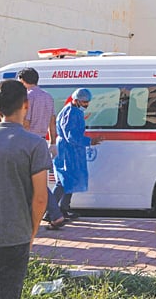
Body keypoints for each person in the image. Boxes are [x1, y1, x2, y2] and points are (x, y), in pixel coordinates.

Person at [0, 80, 51, 298]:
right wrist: (31, 231)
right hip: (15, 234)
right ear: (26, 105)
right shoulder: (35, 145)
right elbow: (40, 198)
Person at [17, 67, 66, 231]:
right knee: (37, 179)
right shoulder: (47, 97)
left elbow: (26, 122)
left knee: (29, 180)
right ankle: (54, 213)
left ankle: (55, 213)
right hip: (41, 141)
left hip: (27, 140)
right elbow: (52, 121)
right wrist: (52, 142)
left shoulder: (27, 97)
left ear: (23, 80)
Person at [53, 88, 103, 219]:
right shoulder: (71, 113)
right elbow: (71, 136)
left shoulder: (75, 111)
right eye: (84, 102)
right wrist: (89, 141)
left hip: (72, 150)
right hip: (67, 150)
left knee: (70, 180)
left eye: (87, 102)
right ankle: (51, 211)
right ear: (76, 100)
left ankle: (64, 208)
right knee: (64, 181)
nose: (86, 105)